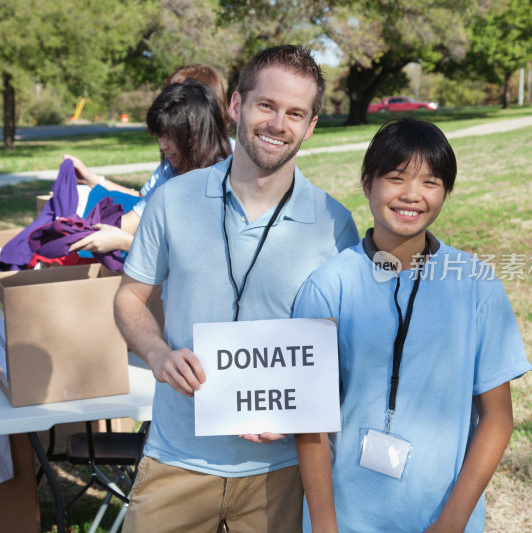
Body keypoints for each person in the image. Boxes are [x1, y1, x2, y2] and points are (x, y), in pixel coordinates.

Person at [113, 45, 358, 532]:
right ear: (236, 106)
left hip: (283, 470)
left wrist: (300, 412)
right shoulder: (171, 200)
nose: (277, 124)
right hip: (177, 457)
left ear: (310, 127)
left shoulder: (335, 225)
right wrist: (159, 354)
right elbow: (128, 298)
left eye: (295, 113)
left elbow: (346, 348)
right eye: (266, 105)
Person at [292, 118, 532, 532]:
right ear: (367, 183)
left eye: (431, 182)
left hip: (443, 517)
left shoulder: (476, 284)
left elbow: (497, 417)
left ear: (446, 192)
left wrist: (452, 522)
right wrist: (325, 526)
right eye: (396, 177)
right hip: (347, 517)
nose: (412, 195)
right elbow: (310, 423)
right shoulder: (328, 286)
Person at [66, 78, 231, 253]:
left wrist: (124, 242)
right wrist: (77, 233)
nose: (162, 145)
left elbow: (191, 257)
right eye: (159, 136)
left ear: (195, 134)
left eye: (169, 136)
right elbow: (137, 217)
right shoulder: (172, 171)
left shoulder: (221, 183)